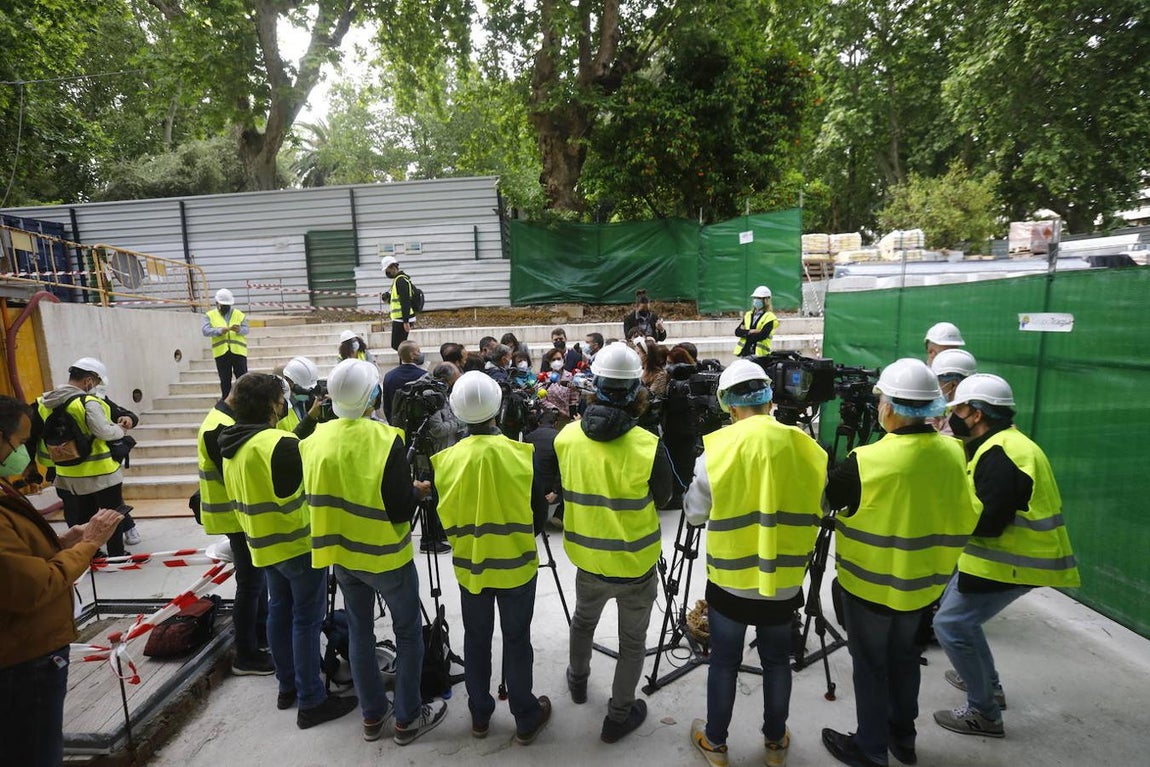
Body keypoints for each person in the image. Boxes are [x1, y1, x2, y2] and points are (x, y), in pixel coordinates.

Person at [821, 358, 978, 767]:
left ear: (888, 408)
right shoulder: (951, 452)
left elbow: (825, 500)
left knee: (871, 666)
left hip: (869, 589)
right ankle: (902, 739)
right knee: (905, 660)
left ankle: (871, 748)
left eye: (880, 401)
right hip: (922, 587)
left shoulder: (866, 461)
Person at [684, 360, 827, 767]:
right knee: (777, 662)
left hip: (731, 583)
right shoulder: (809, 449)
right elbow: (821, 505)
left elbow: (695, 515)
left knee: (724, 662)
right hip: (784, 581)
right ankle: (776, 743)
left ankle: (715, 744)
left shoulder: (717, 450)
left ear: (728, 404)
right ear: (769, 398)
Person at [300, 359, 448, 745]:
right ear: (374, 397)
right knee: (408, 634)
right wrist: (418, 491)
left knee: (361, 634)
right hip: (386, 556)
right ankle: (407, 718)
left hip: (344, 555)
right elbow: (399, 506)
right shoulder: (387, 439)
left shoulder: (313, 439)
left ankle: (372, 716)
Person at [931, 374, 1080, 740]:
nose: (954, 417)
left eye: (960, 409)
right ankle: (986, 684)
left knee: (950, 625)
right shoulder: (1001, 444)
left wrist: (939, 517)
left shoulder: (1002, 454)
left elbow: (989, 522)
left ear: (978, 414)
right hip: (996, 559)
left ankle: (984, 713)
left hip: (1013, 561)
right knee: (960, 619)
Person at [219, 373, 358, 729]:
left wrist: (309, 419)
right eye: (282, 399)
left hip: (263, 548)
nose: (284, 404)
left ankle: (288, 686)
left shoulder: (233, 443)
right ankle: (312, 700)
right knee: (306, 623)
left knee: (280, 615)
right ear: (272, 405)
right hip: (297, 545)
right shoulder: (278, 443)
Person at [551, 342, 674, 743]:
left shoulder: (566, 438)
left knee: (583, 622)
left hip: (587, 559)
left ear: (595, 385)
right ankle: (619, 715)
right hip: (635, 565)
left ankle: (578, 681)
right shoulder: (648, 446)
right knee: (632, 641)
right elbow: (665, 497)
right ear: (635, 390)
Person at [0, 396, 123, 767]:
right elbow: (34, 586)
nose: (23, 452)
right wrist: (87, 545)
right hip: (23, 660)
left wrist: (58, 542)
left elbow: (15, 560)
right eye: (19, 443)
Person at [430, 371, 552, 744]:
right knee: (517, 639)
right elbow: (538, 516)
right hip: (516, 567)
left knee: (476, 639)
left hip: (471, 568)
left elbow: (441, 516)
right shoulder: (520, 455)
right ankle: (525, 715)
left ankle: (480, 716)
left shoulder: (445, 460)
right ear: (498, 408)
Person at [196, 391, 272, 676]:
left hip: (239, 514)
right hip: (233, 516)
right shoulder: (219, 427)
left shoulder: (224, 419)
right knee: (250, 584)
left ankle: (261, 637)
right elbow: (235, 472)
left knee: (257, 580)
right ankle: (246, 654)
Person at [37, 358, 130, 558]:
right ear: (88, 380)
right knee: (110, 515)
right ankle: (116, 556)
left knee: (84, 516)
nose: (95, 387)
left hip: (68, 473)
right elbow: (104, 432)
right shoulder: (87, 402)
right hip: (101, 473)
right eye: (96, 383)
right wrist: (120, 430)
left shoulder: (46, 402)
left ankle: (91, 554)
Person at [202, 288, 249, 399]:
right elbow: (205, 330)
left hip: (238, 352)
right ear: (217, 303)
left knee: (243, 380)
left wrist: (239, 330)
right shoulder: (210, 315)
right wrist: (219, 331)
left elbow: (246, 329)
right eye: (223, 305)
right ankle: (227, 403)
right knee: (225, 381)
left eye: (227, 305)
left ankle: (244, 401)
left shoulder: (239, 314)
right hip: (222, 353)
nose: (225, 307)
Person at [930, 349, 977, 436]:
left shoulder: (963, 416)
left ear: (953, 384)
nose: (936, 387)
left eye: (938, 383)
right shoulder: (958, 407)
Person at [382, 341, 427, 423]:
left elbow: (387, 405)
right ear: (412, 355)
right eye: (418, 351)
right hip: (419, 425)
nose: (420, 353)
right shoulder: (424, 376)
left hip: (397, 423)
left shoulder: (389, 376)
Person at [382, 256, 417, 351]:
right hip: (400, 318)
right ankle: (408, 361)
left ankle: (415, 358)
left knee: (399, 345)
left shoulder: (401, 281)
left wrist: (406, 321)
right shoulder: (398, 280)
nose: (387, 273)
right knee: (399, 345)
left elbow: (405, 301)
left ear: (393, 267)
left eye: (387, 270)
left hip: (402, 318)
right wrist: (388, 299)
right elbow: (397, 300)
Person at [733, 285, 777, 358]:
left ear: (766, 300)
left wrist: (745, 333)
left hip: (760, 355)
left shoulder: (769, 317)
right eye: (755, 298)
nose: (755, 300)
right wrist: (751, 331)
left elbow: (762, 335)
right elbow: (737, 332)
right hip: (745, 353)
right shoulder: (748, 315)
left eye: (759, 298)